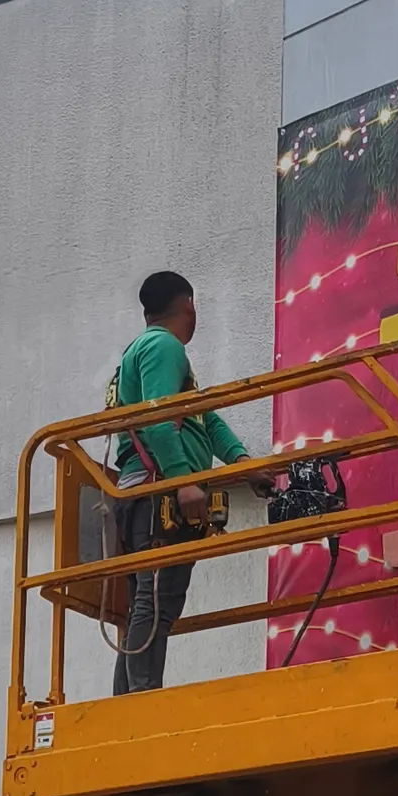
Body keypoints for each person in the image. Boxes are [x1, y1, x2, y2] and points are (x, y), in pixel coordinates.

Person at [111, 271, 252, 695]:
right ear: (189, 305)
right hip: (157, 489)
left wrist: (243, 463)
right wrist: (183, 482)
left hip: (150, 489)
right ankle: (139, 699)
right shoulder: (162, 346)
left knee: (150, 602)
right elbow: (157, 418)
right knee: (155, 601)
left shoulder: (159, 354)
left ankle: (130, 698)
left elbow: (204, 418)